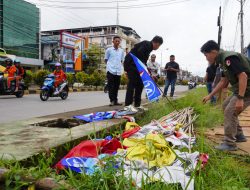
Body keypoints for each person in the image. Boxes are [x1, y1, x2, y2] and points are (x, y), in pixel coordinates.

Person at [201, 40, 250, 151]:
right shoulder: (222, 62)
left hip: (247, 90)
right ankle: (239, 135)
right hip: (241, 89)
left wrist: (240, 99)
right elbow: (223, 81)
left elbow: (243, 76)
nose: (206, 58)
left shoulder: (229, 58)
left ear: (213, 52)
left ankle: (229, 143)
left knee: (229, 111)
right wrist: (210, 95)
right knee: (225, 105)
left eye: (206, 55)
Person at [124, 36, 163, 108]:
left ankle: (137, 104)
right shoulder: (146, 44)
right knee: (132, 84)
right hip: (131, 64)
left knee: (140, 84)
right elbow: (140, 56)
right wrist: (148, 72)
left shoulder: (149, 47)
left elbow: (143, 61)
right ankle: (128, 105)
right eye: (159, 46)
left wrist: (149, 73)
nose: (158, 48)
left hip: (137, 66)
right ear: (157, 44)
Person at [104, 36, 125, 106]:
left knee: (116, 86)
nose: (117, 42)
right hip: (110, 70)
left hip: (118, 71)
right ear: (113, 41)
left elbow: (122, 60)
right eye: (116, 41)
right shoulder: (109, 50)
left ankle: (116, 101)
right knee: (111, 86)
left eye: (118, 41)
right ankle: (112, 100)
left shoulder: (121, 51)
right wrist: (110, 66)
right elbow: (106, 60)